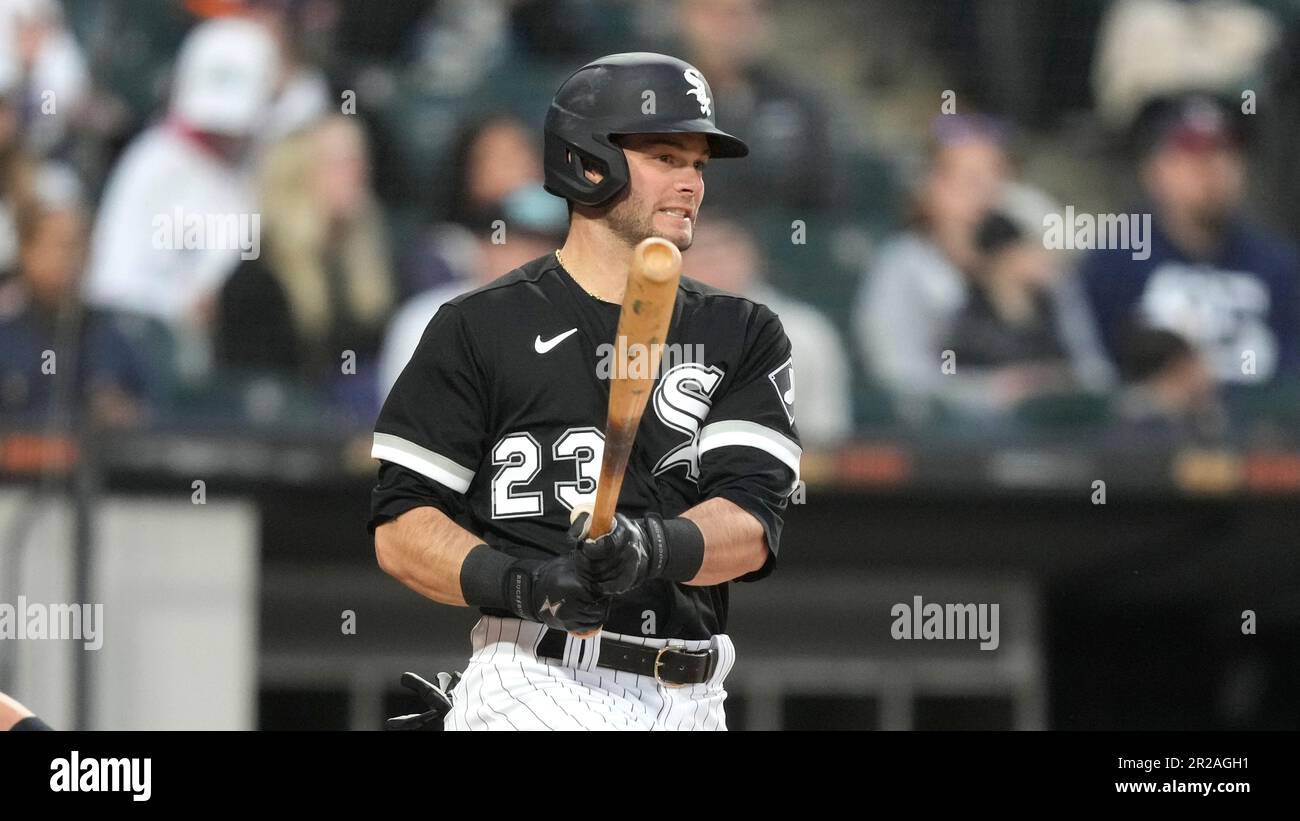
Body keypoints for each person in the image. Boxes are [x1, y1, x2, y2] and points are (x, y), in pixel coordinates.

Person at [369, 52, 801, 731]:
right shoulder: (479, 326)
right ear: (588, 162)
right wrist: (525, 584)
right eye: (666, 156)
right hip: (536, 676)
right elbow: (401, 529)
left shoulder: (741, 331)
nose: (691, 182)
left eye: (699, 165)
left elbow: (750, 525)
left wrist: (648, 547)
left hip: (694, 694)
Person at [1079, 94, 1300, 388]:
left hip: (1263, 430)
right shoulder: (1114, 264)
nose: (1210, 170)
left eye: (1223, 151)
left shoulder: (1278, 266)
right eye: (1190, 153)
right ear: (1153, 170)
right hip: (1148, 432)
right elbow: (1093, 379)